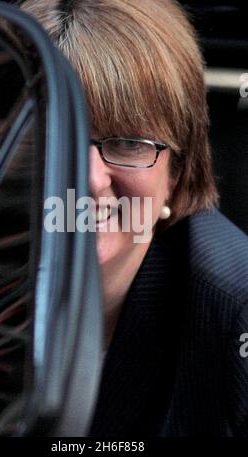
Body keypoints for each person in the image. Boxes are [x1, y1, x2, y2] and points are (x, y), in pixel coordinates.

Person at [21, 0, 248, 436]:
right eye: (53, 131)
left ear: (178, 174)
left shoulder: (234, 316)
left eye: (128, 143)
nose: (88, 180)